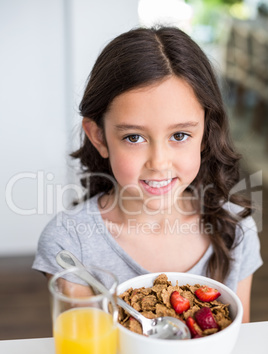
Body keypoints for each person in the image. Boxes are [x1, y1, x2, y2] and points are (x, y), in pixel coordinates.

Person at [32, 26, 262, 322]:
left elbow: (235, 344)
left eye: (179, 135)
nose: (159, 162)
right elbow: (91, 350)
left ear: (205, 134)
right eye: (134, 137)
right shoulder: (69, 242)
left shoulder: (237, 230)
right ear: (99, 137)